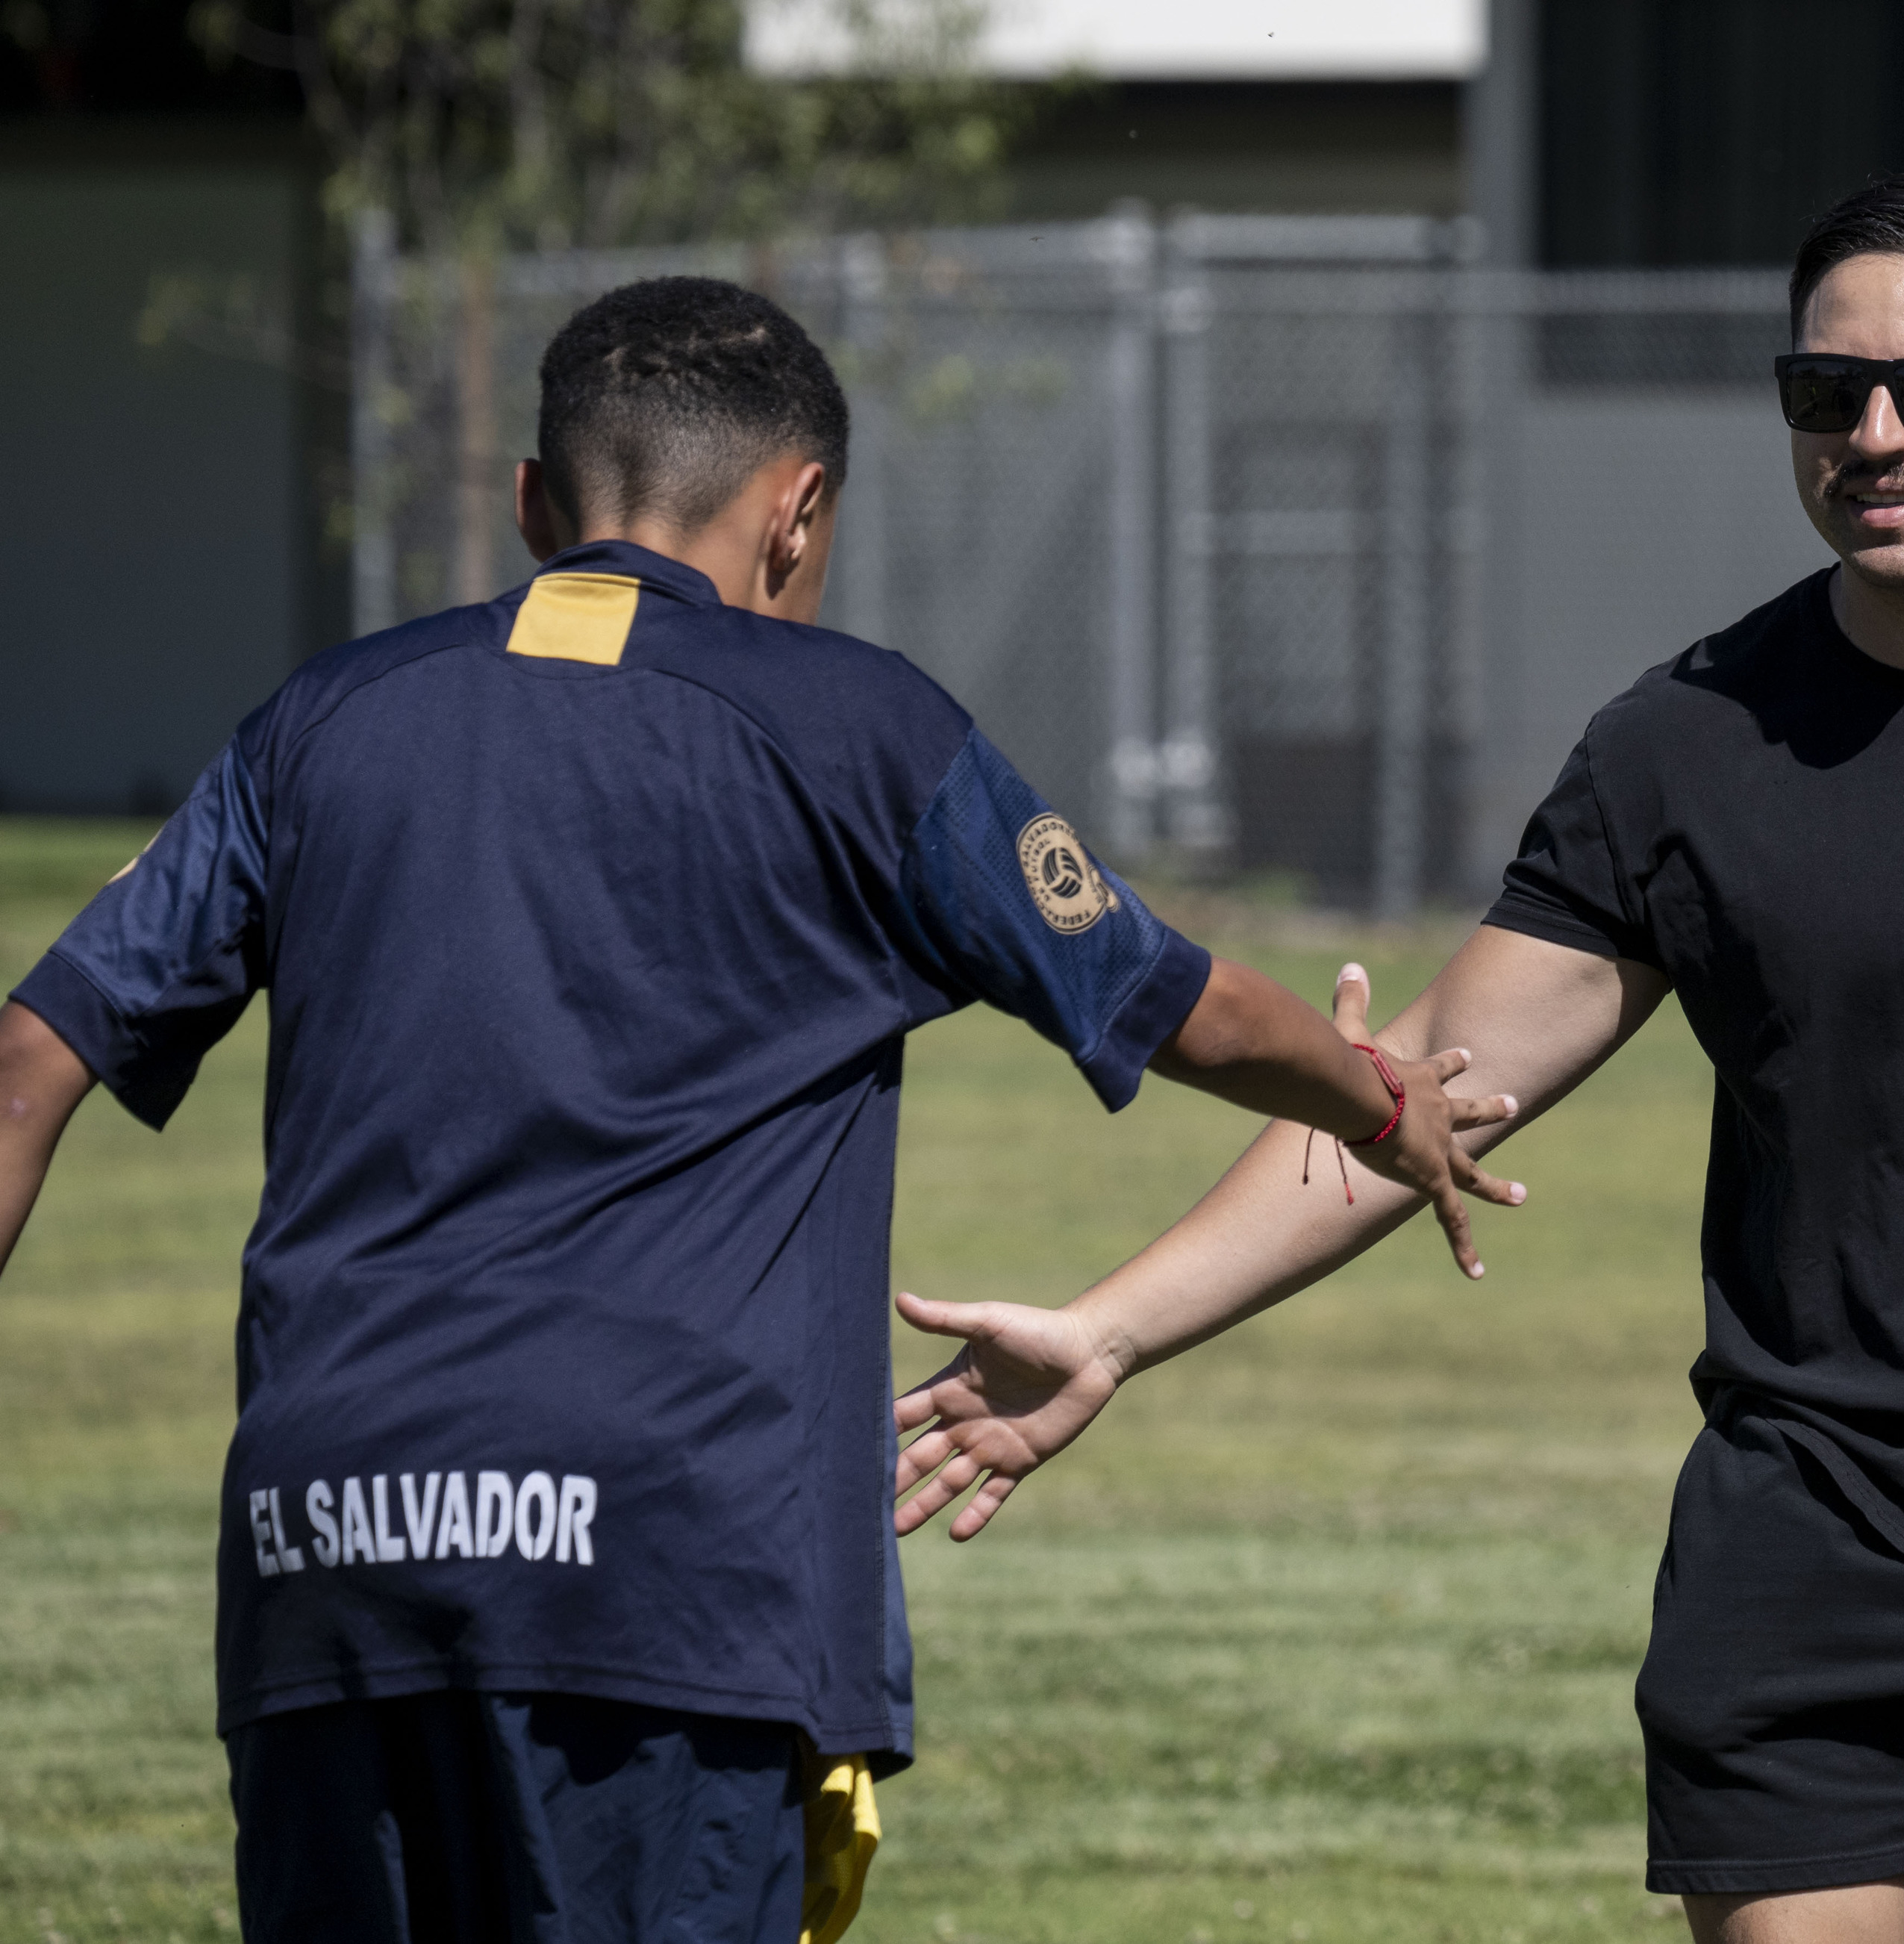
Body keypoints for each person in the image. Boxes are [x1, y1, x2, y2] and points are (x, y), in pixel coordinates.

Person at [880, 174, 1904, 1944]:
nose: (1875, 436)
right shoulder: (1684, 746)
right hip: (1819, 1529)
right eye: (1824, 395)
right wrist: (1113, 1327)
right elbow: (1416, 1087)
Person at [0, 276, 1508, 1943]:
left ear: (529, 504)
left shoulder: (320, 722)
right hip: (656, 1570)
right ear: (798, 517)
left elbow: (26, 1066)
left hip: (324, 1552)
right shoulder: (859, 727)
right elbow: (1176, 999)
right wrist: (1382, 1108)